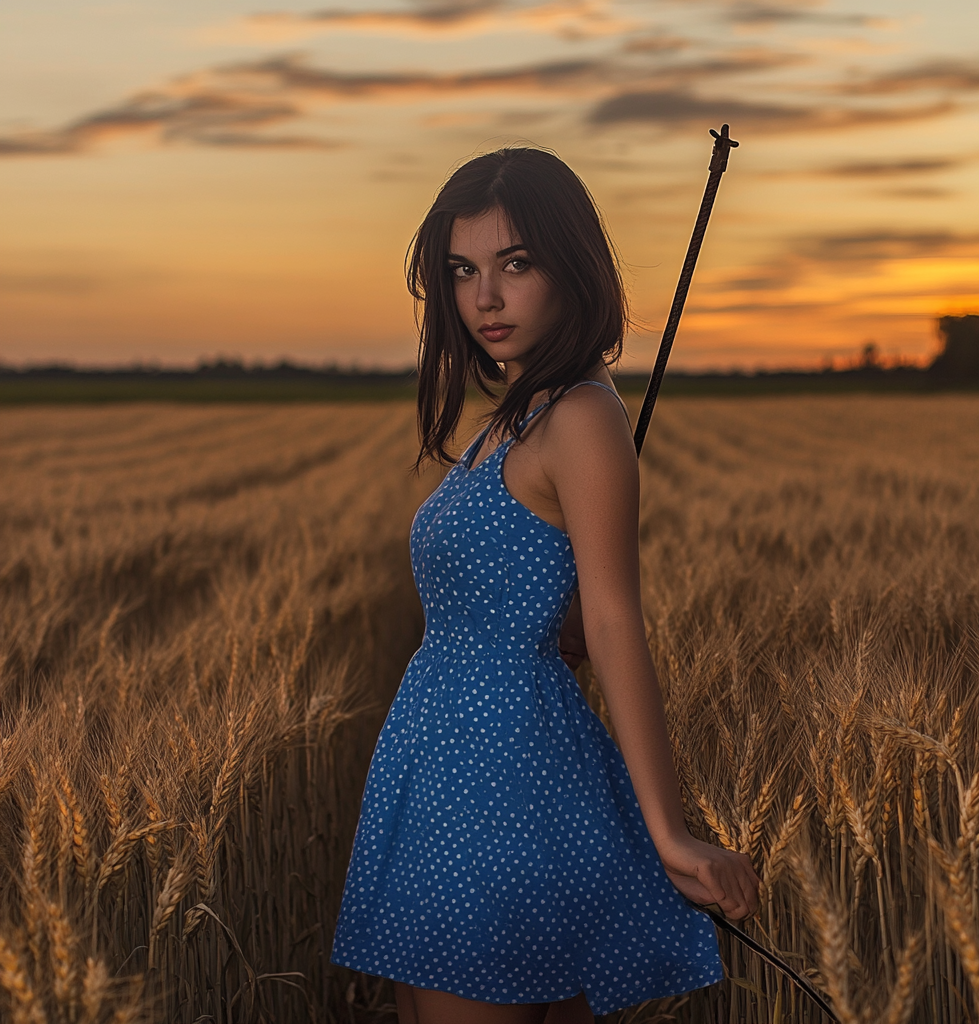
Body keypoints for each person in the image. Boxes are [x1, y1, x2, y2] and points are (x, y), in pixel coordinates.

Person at [330, 147, 760, 1024]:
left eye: (514, 265)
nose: (484, 297)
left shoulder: (583, 416)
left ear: (571, 265)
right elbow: (553, 593)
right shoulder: (514, 420)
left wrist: (668, 829)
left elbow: (613, 622)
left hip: (500, 793)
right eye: (463, 271)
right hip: (439, 783)